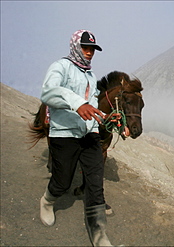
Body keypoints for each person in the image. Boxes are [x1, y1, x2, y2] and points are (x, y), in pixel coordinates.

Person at [39, 29, 115, 246]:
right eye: (85, 47)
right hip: (64, 134)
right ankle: (47, 201)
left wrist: (106, 120)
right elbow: (48, 92)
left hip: (89, 135)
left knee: (95, 182)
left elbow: (90, 107)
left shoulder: (90, 74)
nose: (89, 52)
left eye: (92, 49)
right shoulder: (60, 67)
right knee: (62, 182)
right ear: (75, 46)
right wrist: (77, 103)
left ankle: (100, 235)